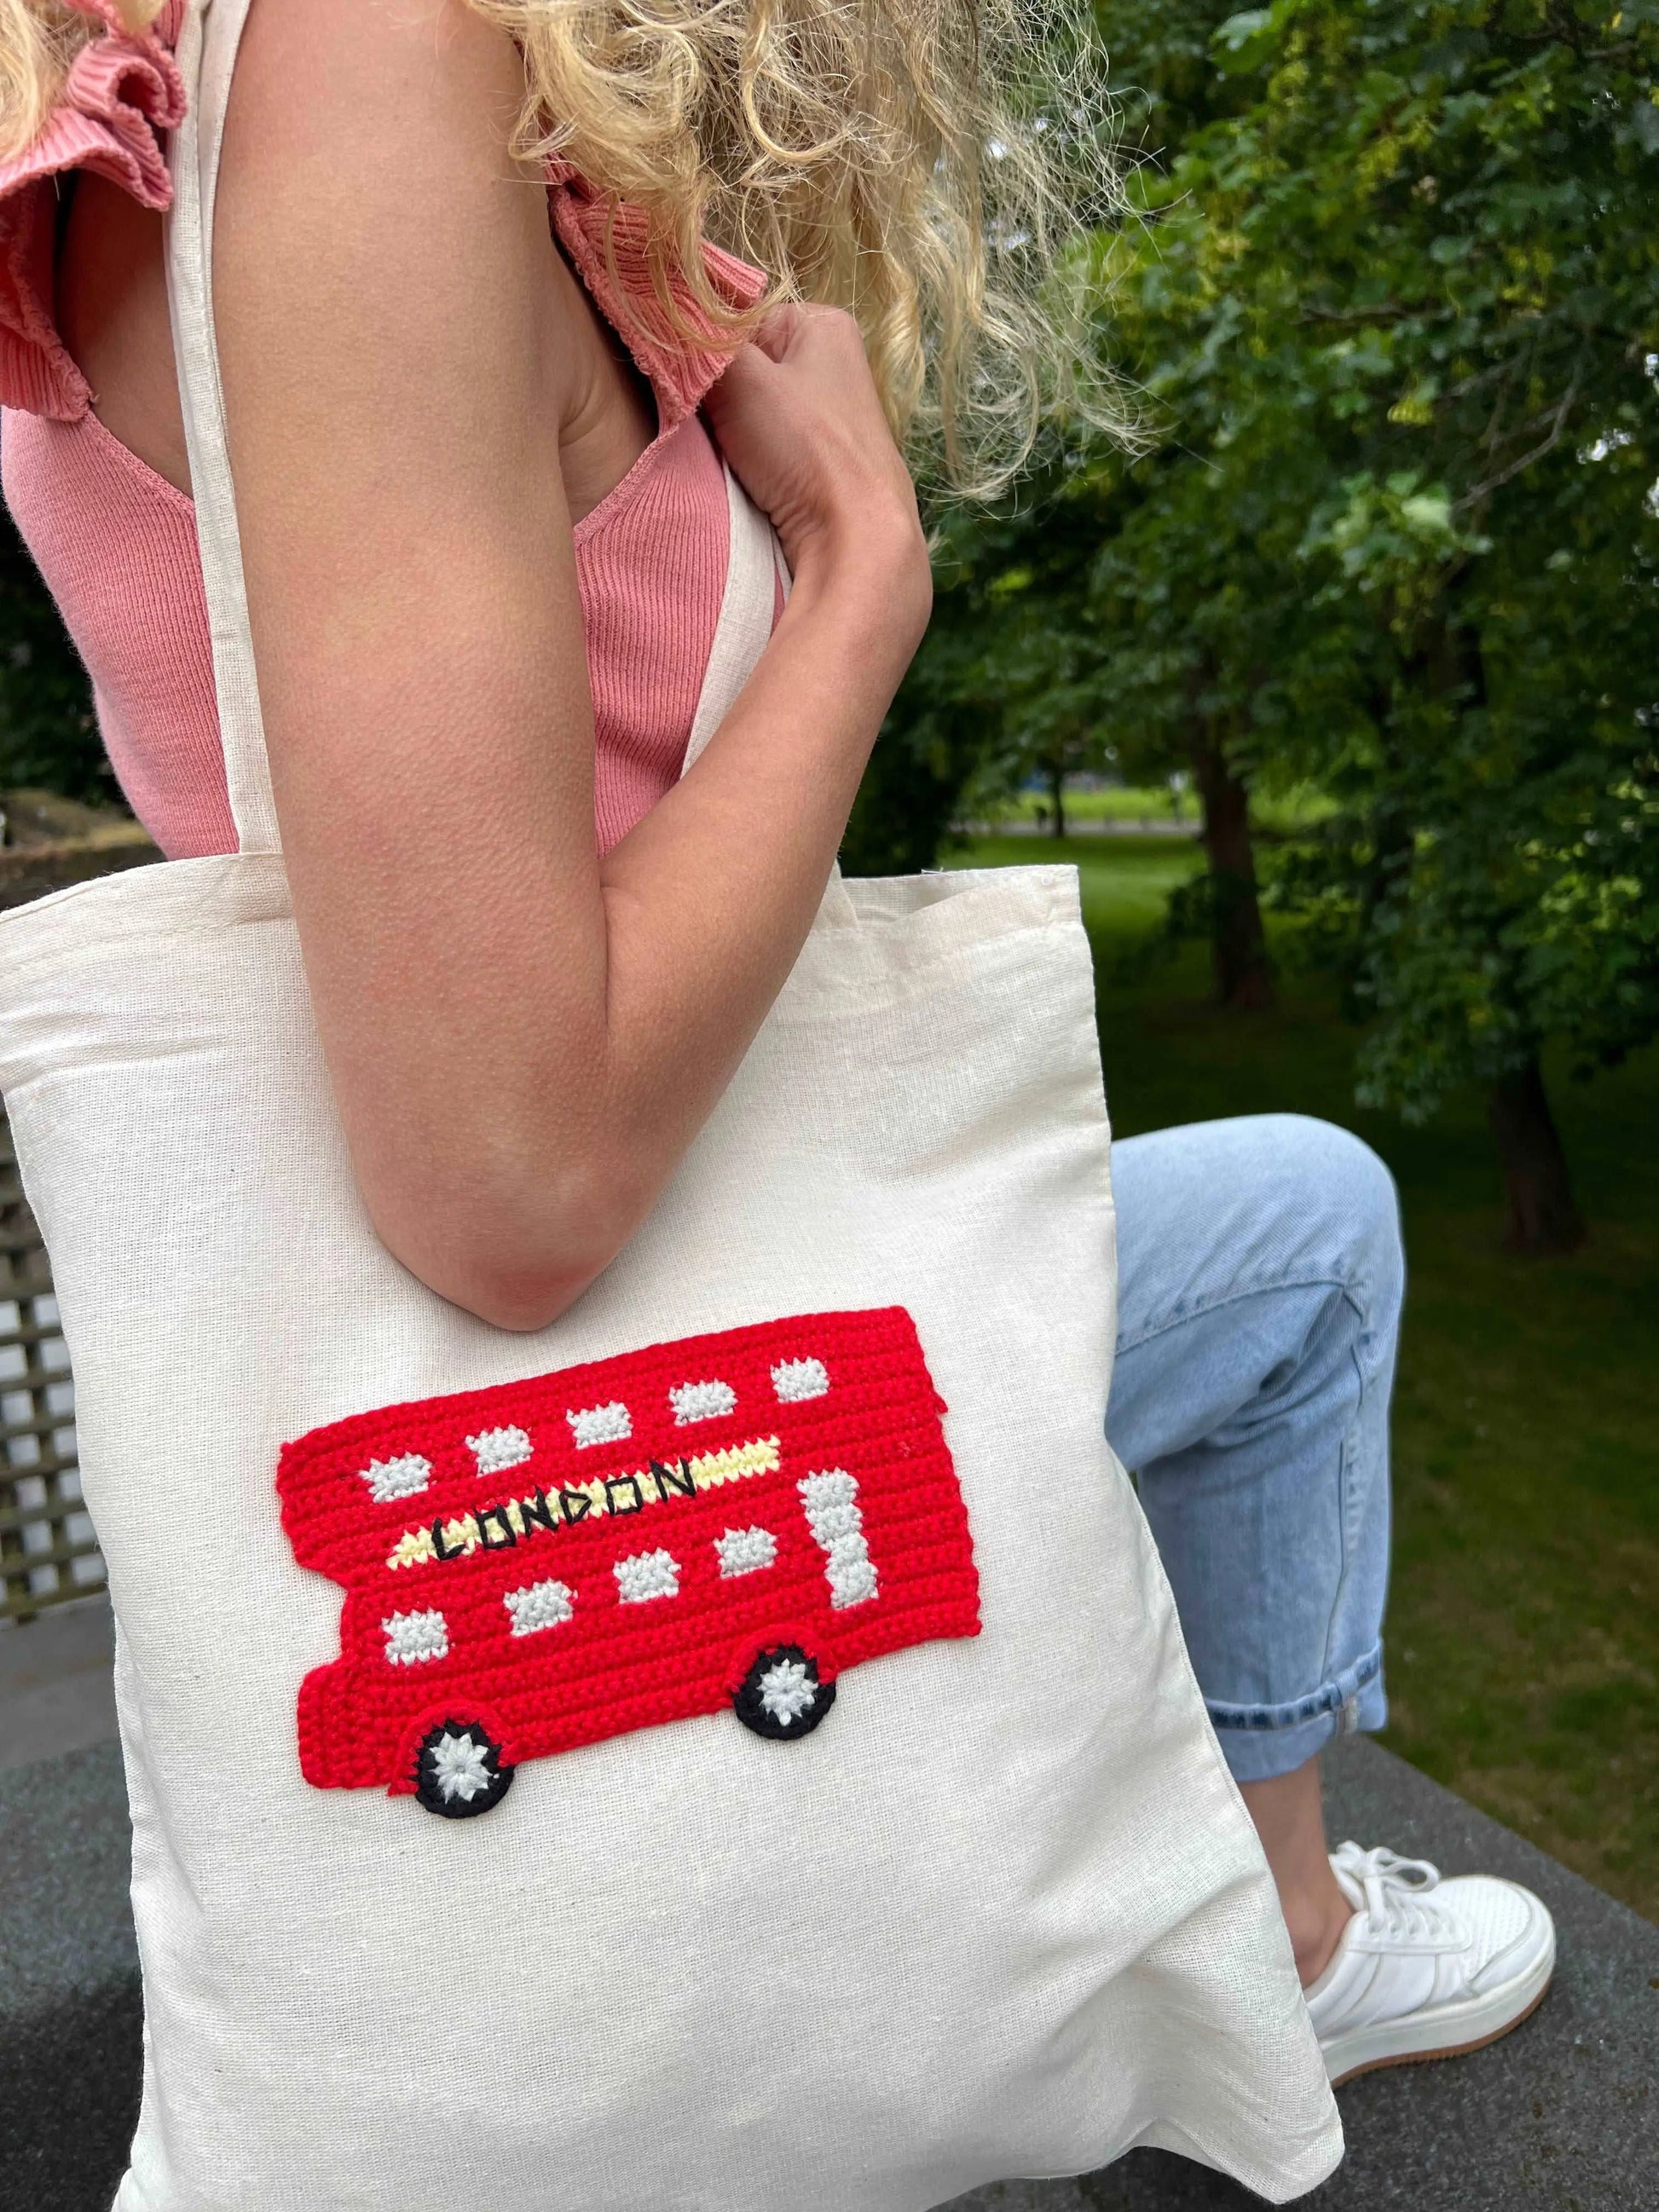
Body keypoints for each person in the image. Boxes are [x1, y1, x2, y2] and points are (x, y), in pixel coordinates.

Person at [0, 0, 1552, 2092]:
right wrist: (858, 577)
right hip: (646, 1318)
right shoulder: (358, 76)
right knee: (1307, 1237)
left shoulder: (168, 130)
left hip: (474, 1381)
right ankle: (1275, 1919)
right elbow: (514, 1172)